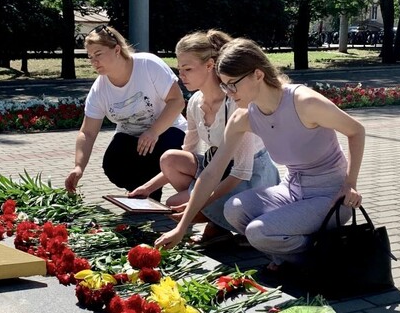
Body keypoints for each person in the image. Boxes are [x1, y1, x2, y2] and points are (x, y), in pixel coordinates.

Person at [155, 38, 365, 271]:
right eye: (224, 85)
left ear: (258, 74)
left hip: (332, 196)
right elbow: (212, 172)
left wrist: (350, 184)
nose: (229, 92)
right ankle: (291, 257)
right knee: (234, 209)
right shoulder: (244, 116)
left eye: (232, 84)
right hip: (291, 190)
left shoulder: (304, 102)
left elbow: (356, 130)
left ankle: (320, 261)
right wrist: (182, 227)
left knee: (258, 232)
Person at [128, 30, 279, 245]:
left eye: (188, 69)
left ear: (209, 65)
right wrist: (147, 189)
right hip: (219, 169)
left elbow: (241, 172)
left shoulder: (235, 102)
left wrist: (197, 204)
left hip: (250, 177)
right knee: (170, 159)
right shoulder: (195, 102)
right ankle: (216, 222)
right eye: (179, 69)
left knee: (177, 204)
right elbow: (188, 153)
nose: (181, 76)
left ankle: (224, 223)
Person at [65, 25, 188, 201]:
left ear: (117, 50)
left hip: (168, 129)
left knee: (154, 153)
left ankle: (170, 194)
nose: (94, 61)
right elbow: (88, 132)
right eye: (90, 57)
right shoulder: (99, 89)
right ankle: (142, 196)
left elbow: (177, 101)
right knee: (113, 164)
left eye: (98, 54)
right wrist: (78, 167)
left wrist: (153, 131)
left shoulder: (147, 64)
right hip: (131, 135)